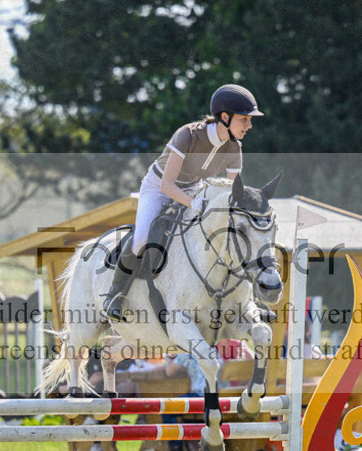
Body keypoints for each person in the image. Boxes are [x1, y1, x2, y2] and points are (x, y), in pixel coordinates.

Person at [103, 84, 264, 322]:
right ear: (225, 117)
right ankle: (114, 295)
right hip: (158, 187)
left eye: (250, 120)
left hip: (195, 189)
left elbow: (234, 191)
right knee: (142, 239)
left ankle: (247, 302)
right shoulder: (188, 135)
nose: (249, 126)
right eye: (244, 119)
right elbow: (167, 185)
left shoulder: (234, 148)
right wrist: (194, 204)